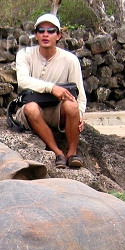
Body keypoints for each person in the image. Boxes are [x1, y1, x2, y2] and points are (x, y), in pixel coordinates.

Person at [14, 13, 87, 169]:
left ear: (58, 35)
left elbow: (80, 93)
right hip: (31, 109)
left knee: (72, 106)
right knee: (32, 108)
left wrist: (80, 115)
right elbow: (23, 81)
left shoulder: (70, 60)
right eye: (41, 30)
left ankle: (72, 153)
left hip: (57, 111)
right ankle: (57, 152)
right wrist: (51, 88)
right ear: (36, 35)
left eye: (51, 31)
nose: (45, 34)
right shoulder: (24, 55)